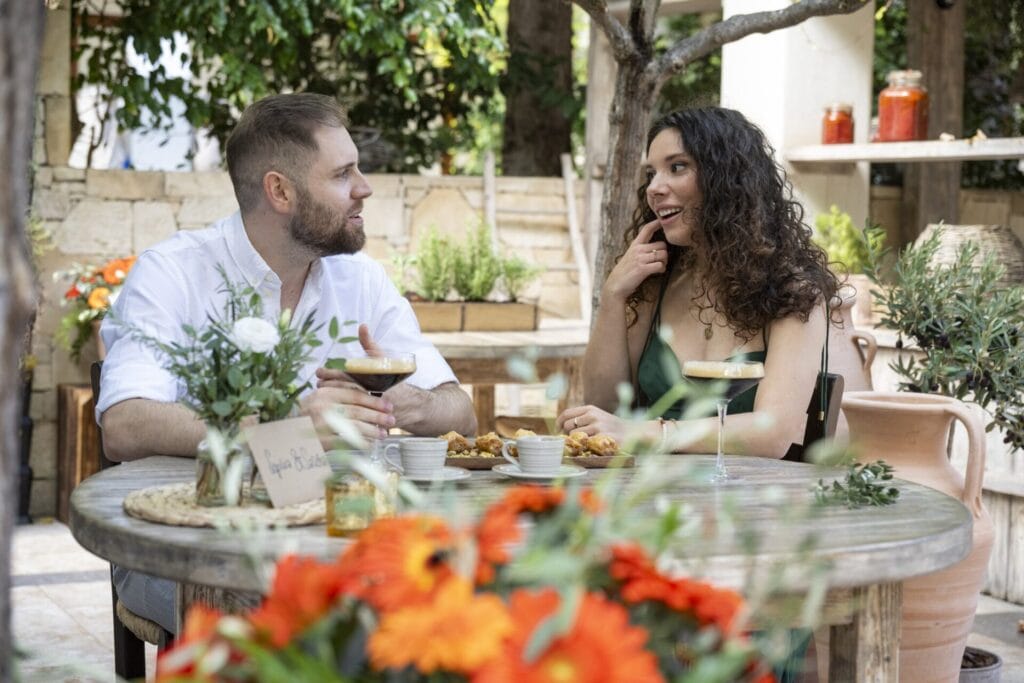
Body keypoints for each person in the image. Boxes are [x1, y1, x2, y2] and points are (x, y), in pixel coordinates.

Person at [97, 92, 477, 633]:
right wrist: (281, 429)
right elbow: (125, 424)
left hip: (326, 538)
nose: (364, 187)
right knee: (302, 615)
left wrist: (404, 403)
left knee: (442, 594)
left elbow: (461, 413)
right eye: (343, 174)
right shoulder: (174, 272)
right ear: (280, 190)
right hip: (183, 548)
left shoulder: (360, 279)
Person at [557, 107, 839, 457]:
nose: (654, 188)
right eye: (651, 173)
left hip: (750, 488)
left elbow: (773, 432)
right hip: (648, 485)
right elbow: (604, 405)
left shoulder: (793, 293)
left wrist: (644, 432)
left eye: (677, 167)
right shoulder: (655, 282)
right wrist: (613, 295)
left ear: (726, 179)